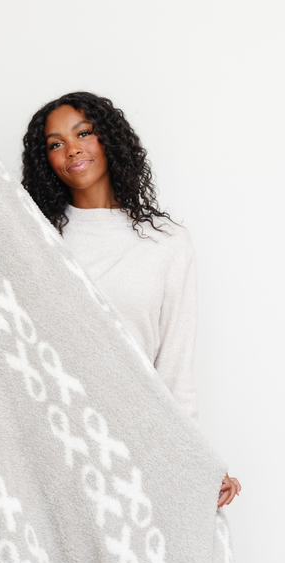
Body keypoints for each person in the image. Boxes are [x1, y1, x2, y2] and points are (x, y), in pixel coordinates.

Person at [21, 91, 241, 508]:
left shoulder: (167, 243)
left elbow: (175, 370)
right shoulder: (35, 239)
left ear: (108, 140)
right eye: (55, 144)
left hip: (138, 442)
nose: (72, 149)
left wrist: (196, 463)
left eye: (83, 132)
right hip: (54, 441)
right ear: (45, 160)